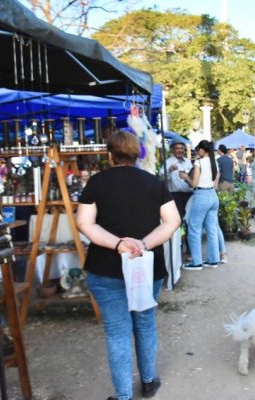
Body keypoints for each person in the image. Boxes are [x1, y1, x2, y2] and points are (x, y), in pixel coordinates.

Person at [77, 130, 180, 400]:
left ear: (109, 154)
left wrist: (118, 244)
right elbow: (172, 221)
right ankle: (148, 381)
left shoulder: (96, 183)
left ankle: (123, 396)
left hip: (106, 267)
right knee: (145, 323)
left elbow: (84, 223)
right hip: (147, 267)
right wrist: (143, 244)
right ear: (137, 154)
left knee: (117, 332)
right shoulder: (154, 183)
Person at [181, 140, 222, 270]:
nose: (196, 152)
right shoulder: (214, 162)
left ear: (203, 150)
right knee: (212, 230)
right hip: (213, 196)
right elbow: (215, 185)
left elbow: (194, 183)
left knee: (194, 229)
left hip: (201, 196)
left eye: (197, 149)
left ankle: (196, 262)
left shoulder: (199, 162)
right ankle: (213, 259)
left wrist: (185, 177)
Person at [165, 140, 193, 218]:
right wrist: (169, 170)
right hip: (176, 196)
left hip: (189, 196)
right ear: (173, 150)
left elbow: (192, 176)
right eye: (177, 148)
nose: (180, 150)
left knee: (189, 218)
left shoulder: (188, 162)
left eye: (182, 148)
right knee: (178, 218)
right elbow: (161, 178)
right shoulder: (168, 162)